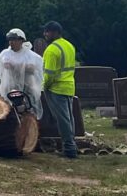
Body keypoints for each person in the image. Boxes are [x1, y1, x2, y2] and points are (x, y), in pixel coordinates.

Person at [42, 21, 77, 158]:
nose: (45, 34)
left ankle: (69, 149)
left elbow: (49, 74)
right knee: (69, 119)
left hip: (56, 88)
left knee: (62, 120)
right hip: (69, 86)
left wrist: (44, 87)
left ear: (54, 32)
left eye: (47, 31)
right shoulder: (69, 45)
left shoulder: (51, 50)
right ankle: (71, 145)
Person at [0, 28, 44, 119]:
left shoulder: (29, 54)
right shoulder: (5, 54)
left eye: (14, 40)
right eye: (10, 40)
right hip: (10, 88)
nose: (11, 43)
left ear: (21, 41)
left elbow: (32, 68)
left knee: (28, 110)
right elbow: (2, 67)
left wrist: (16, 66)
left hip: (27, 89)